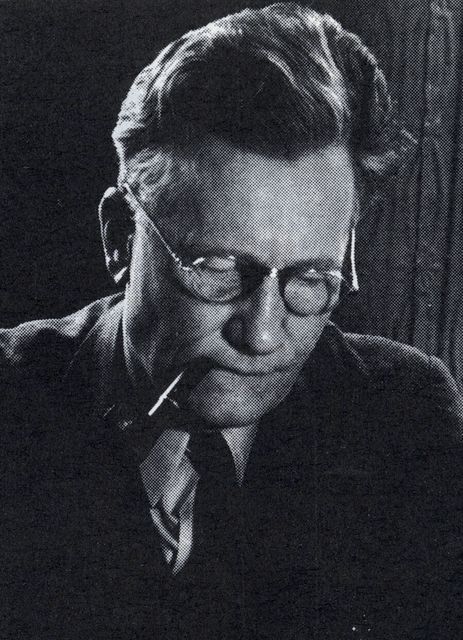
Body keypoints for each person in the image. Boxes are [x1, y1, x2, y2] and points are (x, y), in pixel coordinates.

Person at [2, 3, 463, 639]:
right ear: (119, 239)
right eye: (218, 268)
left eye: (311, 279)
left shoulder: (405, 421)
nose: (262, 335)